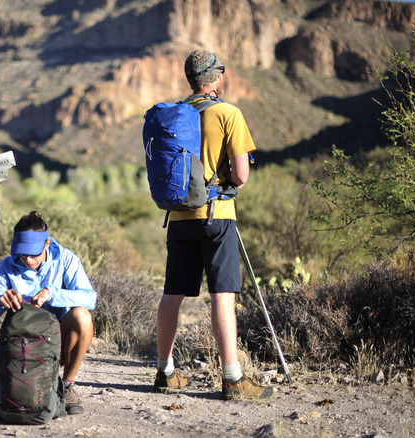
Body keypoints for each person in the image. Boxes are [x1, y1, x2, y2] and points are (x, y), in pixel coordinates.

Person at [153, 49, 273, 400]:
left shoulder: (176, 114)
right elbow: (241, 175)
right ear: (215, 77)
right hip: (217, 217)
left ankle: (164, 372)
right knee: (222, 295)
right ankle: (233, 378)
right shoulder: (228, 113)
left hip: (178, 217)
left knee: (172, 295)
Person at [0, 211, 96, 415]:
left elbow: (90, 298)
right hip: (18, 345)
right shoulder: (5, 268)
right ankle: (16, 386)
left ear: (46, 244)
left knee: (82, 317)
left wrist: (53, 294)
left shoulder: (65, 259)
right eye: (22, 254)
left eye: (33, 254)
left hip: (56, 343)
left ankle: (66, 386)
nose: (27, 260)